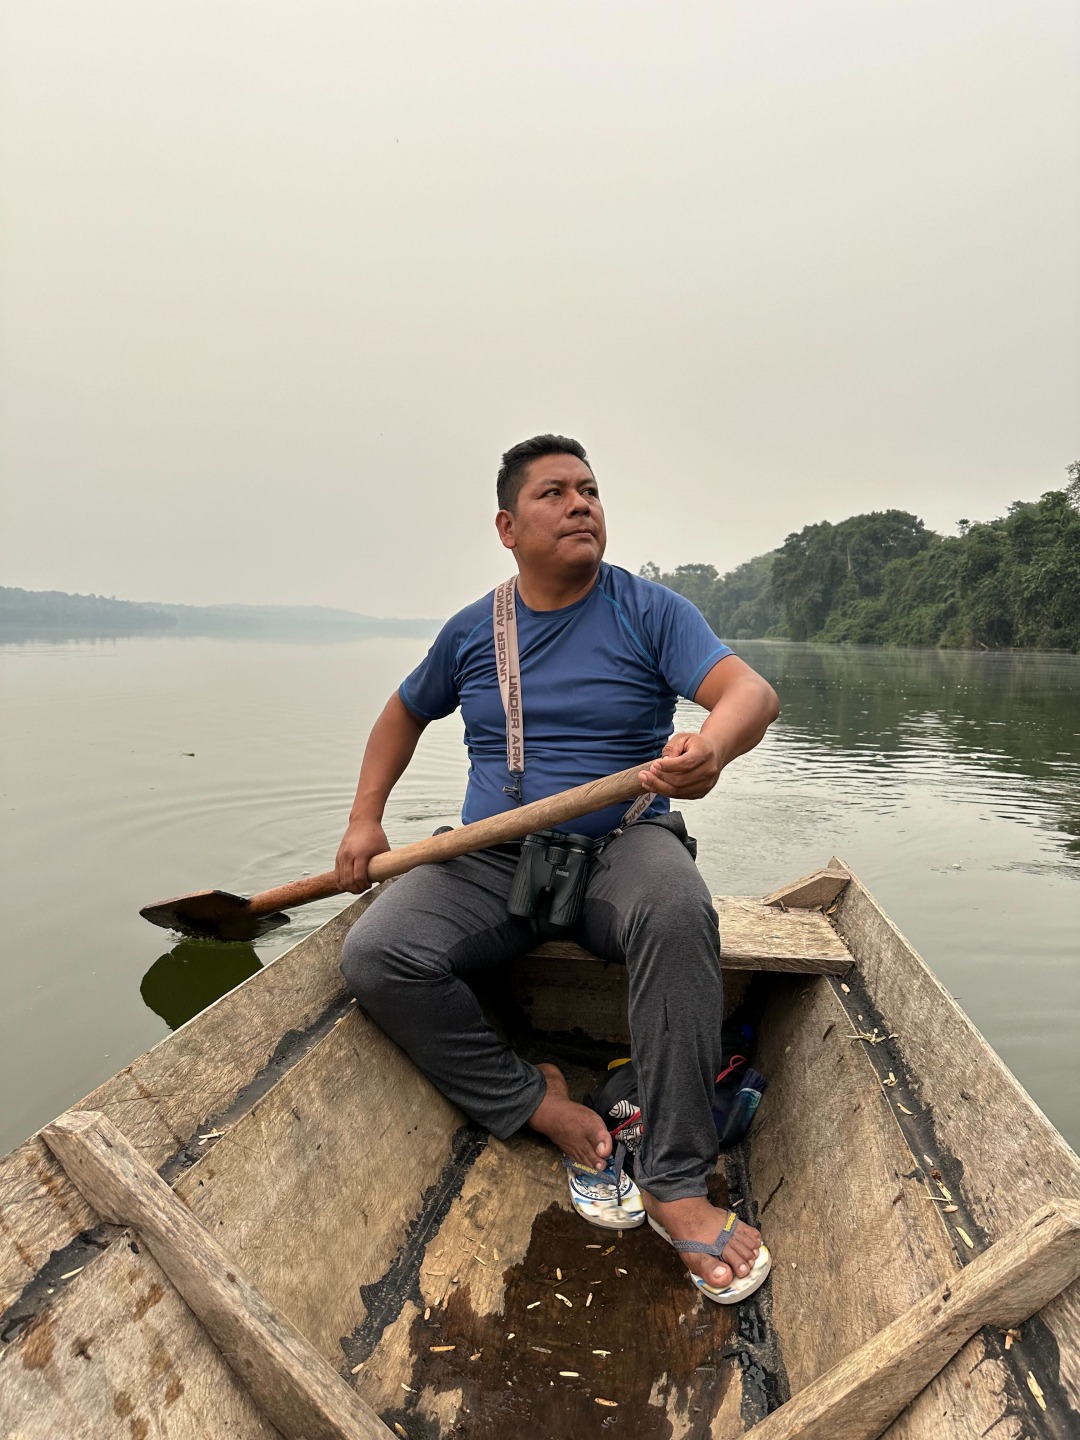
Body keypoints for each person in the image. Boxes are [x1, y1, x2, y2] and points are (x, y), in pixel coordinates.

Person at [336, 434, 780, 1302]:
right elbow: (400, 713)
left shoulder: (650, 611)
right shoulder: (471, 630)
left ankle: (675, 1179)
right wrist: (364, 819)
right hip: (494, 856)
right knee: (376, 953)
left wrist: (712, 747)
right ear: (507, 526)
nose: (581, 503)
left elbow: (749, 694)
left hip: (625, 845)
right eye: (554, 493)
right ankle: (532, 1099)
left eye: (590, 490)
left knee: (679, 913)